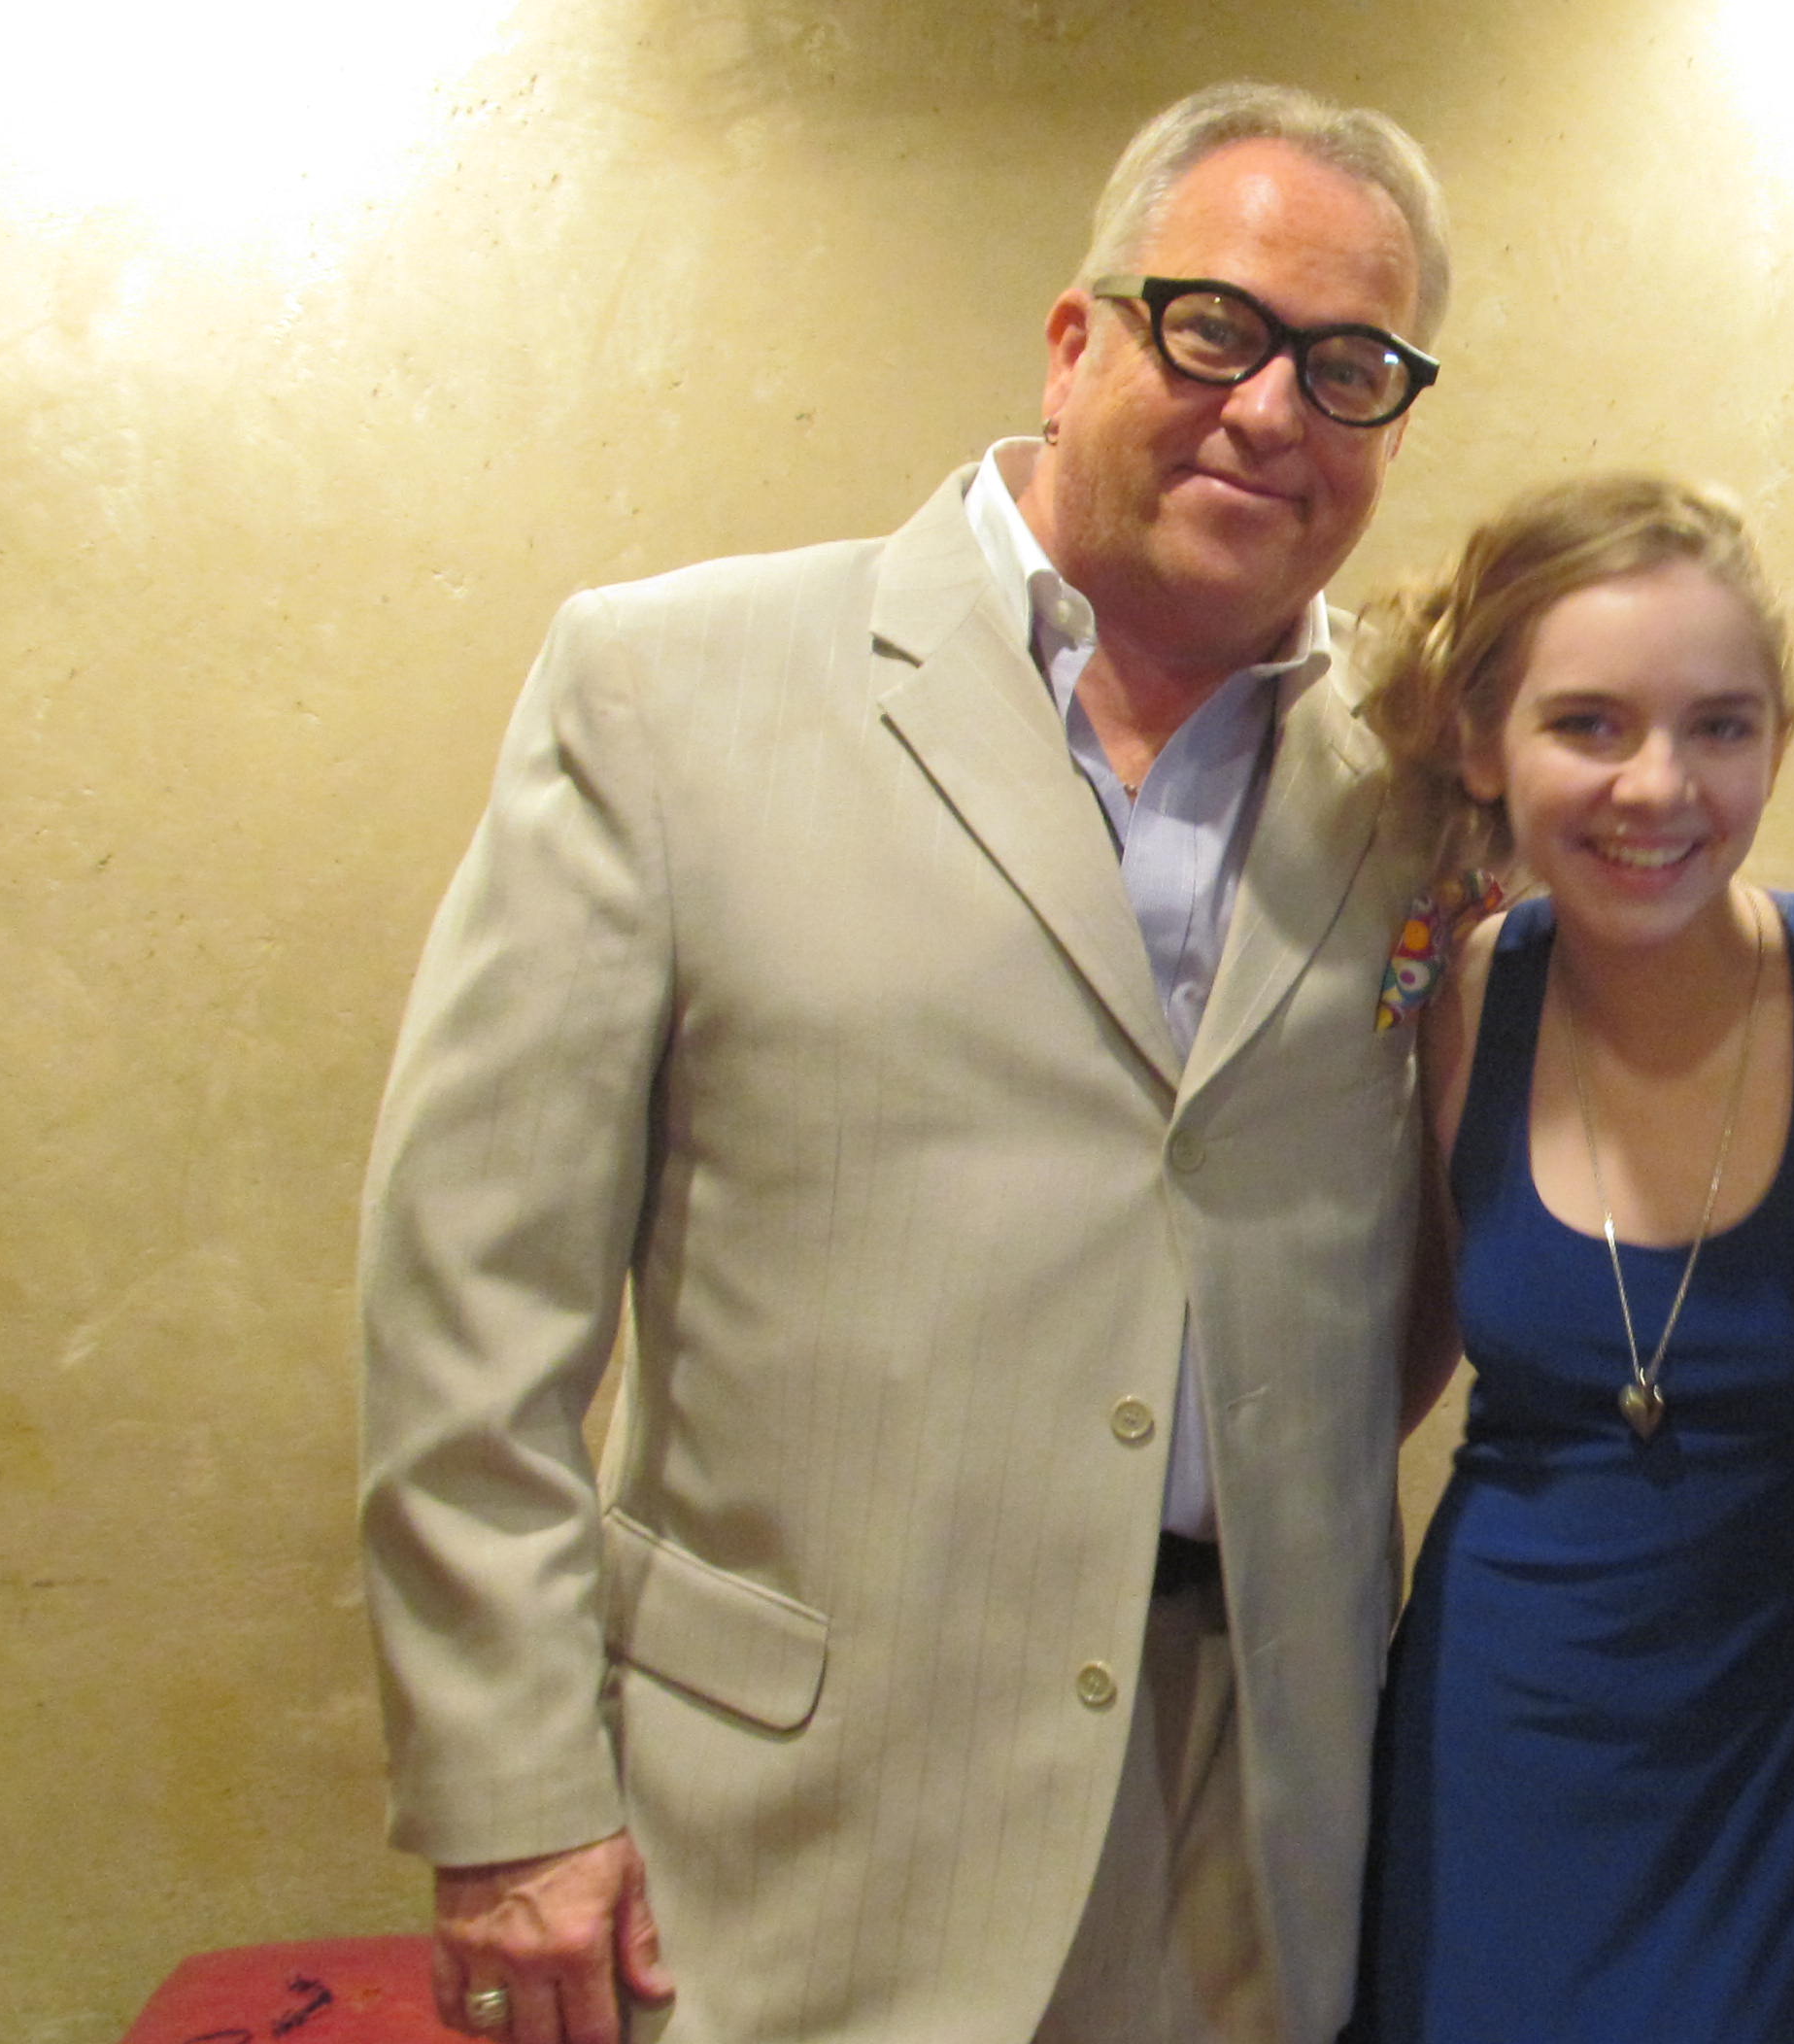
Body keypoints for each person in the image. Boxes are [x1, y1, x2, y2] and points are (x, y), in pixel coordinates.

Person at [355, 81, 1453, 2044]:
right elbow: (470, 1303)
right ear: (1074, 339)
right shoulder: (670, 689)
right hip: (787, 1843)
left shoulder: (1420, 773)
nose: (1272, 410)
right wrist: (511, 1794)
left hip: (1250, 1832)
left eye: (1350, 369)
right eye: (1215, 328)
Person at [1343, 476, 1794, 2042]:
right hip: (1497, 1761)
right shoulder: (1461, 1003)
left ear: (1778, 742)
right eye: (1590, 725)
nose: (1657, 786)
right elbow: (1383, 1361)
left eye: (1717, 727)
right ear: (1486, 742)